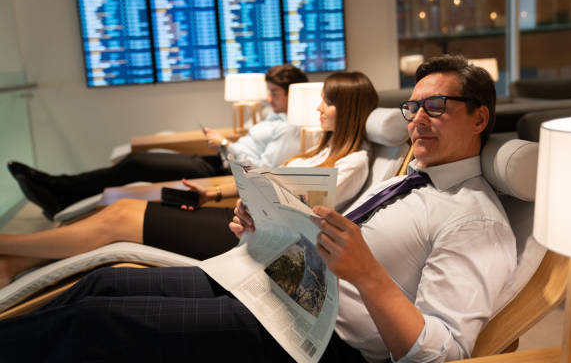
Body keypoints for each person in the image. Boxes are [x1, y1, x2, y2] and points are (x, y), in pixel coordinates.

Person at [0, 55, 516, 363]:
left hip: (318, 338)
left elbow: (443, 353)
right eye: (413, 107)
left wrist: (370, 275)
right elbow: (321, 251)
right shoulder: (407, 180)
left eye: (436, 107)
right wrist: (264, 232)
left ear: (479, 118)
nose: (418, 120)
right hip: (282, 287)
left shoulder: (474, 219)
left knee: (96, 321)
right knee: (103, 281)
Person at [0, 72, 379, 289]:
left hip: (267, 239)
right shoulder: (320, 150)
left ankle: (8, 245)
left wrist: (246, 192)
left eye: (327, 103)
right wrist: (216, 189)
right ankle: (14, 260)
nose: (318, 108)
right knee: (125, 208)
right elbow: (273, 179)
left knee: (123, 217)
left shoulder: (354, 162)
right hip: (247, 221)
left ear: (347, 110)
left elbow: (307, 207)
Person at [7, 64, 307, 220]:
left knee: (136, 165)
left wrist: (227, 146)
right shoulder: (275, 115)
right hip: (219, 161)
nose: (269, 98)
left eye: (274, 94)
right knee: (134, 162)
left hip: (223, 176)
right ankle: (59, 187)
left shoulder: (294, 128)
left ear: (292, 93)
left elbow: (265, 169)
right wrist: (223, 143)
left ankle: (60, 190)